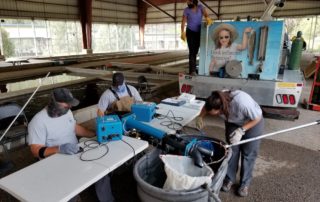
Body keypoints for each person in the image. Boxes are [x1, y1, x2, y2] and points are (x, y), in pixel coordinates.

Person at [28, 88, 114, 202]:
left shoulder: (65, 111)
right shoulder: (38, 121)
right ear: (54, 103)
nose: (70, 107)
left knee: (101, 171)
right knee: (69, 190)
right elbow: (35, 150)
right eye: (67, 104)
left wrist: (94, 134)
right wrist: (59, 149)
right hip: (55, 161)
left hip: (76, 151)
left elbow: (74, 127)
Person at [196, 90, 264, 197]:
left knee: (248, 154)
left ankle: (244, 184)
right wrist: (200, 116)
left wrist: (241, 130)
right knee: (232, 151)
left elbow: (257, 118)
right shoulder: (215, 99)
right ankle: (229, 179)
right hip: (233, 122)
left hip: (253, 122)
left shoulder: (242, 102)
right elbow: (207, 107)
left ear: (222, 108)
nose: (216, 116)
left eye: (217, 113)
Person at [181, 0, 213, 76]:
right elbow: (183, 21)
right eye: (187, 2)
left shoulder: (201, 7)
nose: (188, 3)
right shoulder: (186, 10)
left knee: (196, 51)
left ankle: (194, 69)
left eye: (189, 1)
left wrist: (208, 19)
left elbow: (206, 14)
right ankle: (192, 71)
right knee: (192, 51)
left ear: (194, 1)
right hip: (190, 32)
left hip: (199, 32)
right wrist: (182, 32)